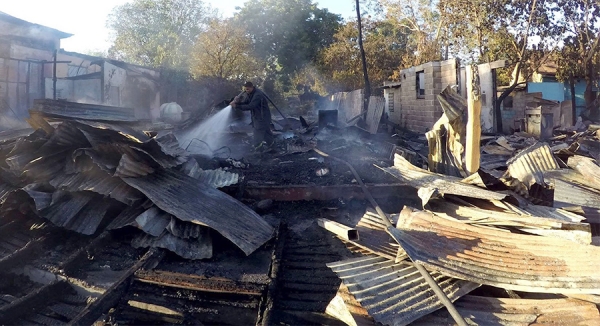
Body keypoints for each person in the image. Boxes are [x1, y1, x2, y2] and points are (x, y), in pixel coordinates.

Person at [230, 81, 274, 149]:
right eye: (245, 89)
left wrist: (236, 106)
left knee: (257, 135)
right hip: (258, 117)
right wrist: (238, 102)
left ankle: (258, 151)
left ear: (252, 87)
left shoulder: (257, 95)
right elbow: (246, 102)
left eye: (247, 89)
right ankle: (273, 148)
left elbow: (251, 106)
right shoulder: (250, 94)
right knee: (267, 134)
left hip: (262, 118)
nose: (246, 91)